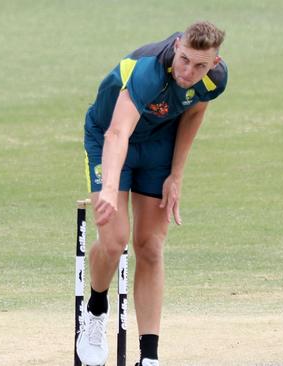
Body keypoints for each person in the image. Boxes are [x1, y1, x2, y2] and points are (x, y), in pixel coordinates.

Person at [76, 21, 228, 366]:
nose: (189, 72)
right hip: (108, 139)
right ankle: (96, 310)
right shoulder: (149, 71)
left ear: (214, 64)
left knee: (150, 245)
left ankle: (149, 357)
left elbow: (195, 111)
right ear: (177, 46)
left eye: (200, 65)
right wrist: (111, 188)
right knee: (114, 240)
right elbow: (117, 132)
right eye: (185, 60)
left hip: (159, 145)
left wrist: (176, 174)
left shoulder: (214, 80)